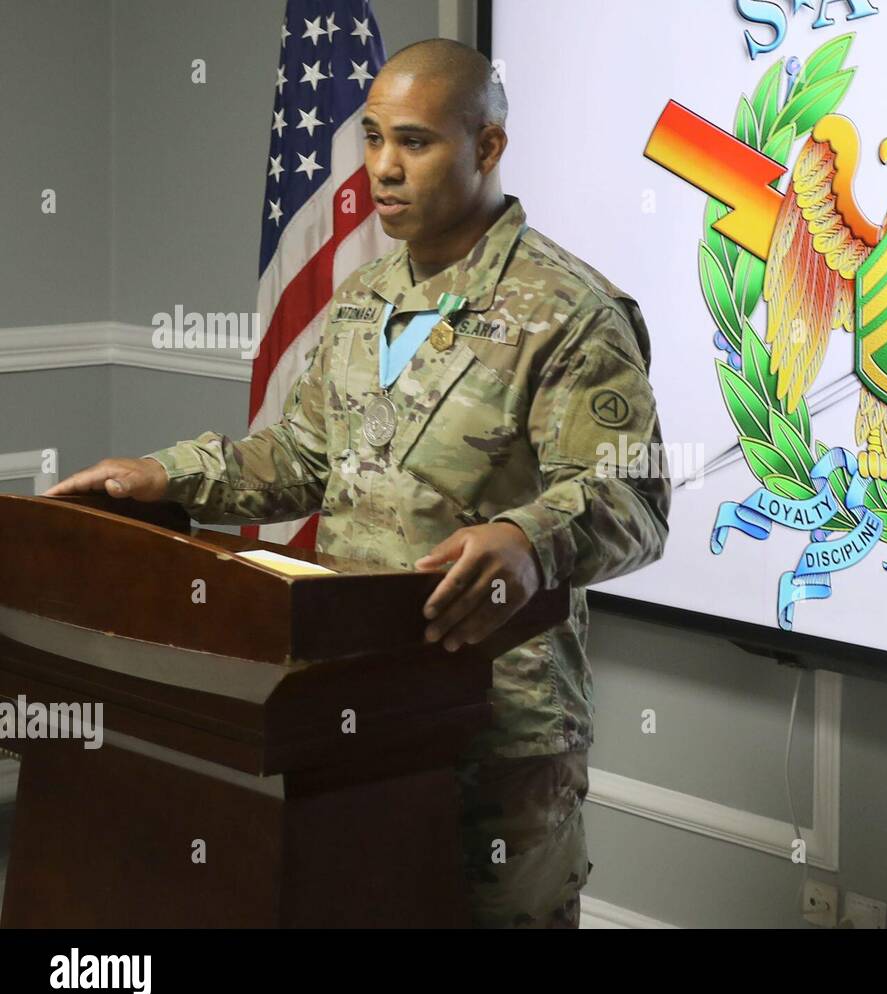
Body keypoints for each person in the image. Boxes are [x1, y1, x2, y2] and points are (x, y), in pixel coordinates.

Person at [47, 38, 671, 928]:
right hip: (355, 706)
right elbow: (302, 458)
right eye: (374, 137)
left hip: (496, 721)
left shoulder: (570, 311)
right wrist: (166, 476)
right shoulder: (364, 296)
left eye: (414, 142)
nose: (382, 168)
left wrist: (531, 539)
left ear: (487, 147)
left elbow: (635, 499)